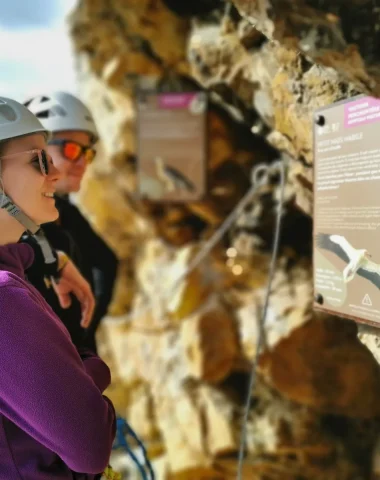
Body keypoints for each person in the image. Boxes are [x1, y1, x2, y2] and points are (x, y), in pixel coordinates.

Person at [0, 96, 116, 478]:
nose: (53, 173)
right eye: (38, 160)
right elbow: (90, 444)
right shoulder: (5, 299)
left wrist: (48, 258)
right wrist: (87, 371)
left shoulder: (15, 271)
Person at [24, 92, 119, 353]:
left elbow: (106, 262)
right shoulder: (14, 221)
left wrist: (82, 335)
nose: (81, 163)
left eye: (87, 153)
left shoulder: (64, 212)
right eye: (71, 149)